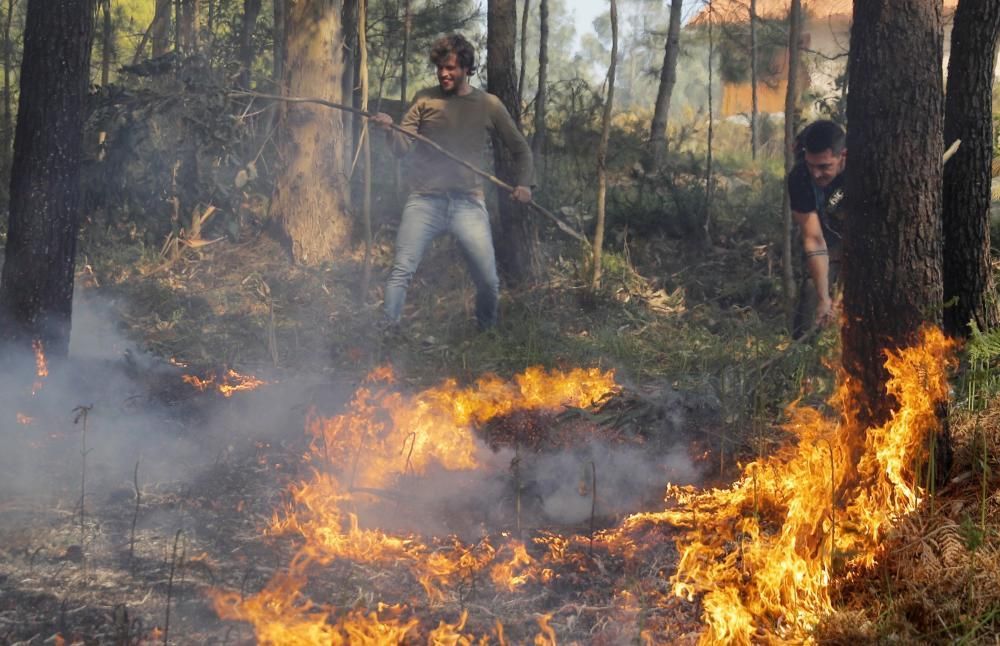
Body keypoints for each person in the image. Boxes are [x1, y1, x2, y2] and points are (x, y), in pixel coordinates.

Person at [370, 34, 535, 333]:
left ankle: (486, 335)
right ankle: (388, 334)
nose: (444, 73)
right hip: (424, 200)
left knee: (488, 281)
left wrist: (524, 184)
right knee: (401, 271)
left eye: (451, 68)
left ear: (467, 69)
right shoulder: (424, 98)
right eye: (440, 68)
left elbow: (521, 149)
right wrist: (388, 129)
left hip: (468, 204)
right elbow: (401, 148)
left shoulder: (488, 104)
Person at [788, 120, 847, 337]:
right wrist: (824, 298)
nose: (816, 174)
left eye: (824, 167)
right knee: (813, 300)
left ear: (843, 156)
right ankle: (802, 356)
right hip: (825, 240)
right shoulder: (800, 177)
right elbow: (813, 238)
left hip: (861, 241)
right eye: (811, 165)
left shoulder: (862, 172)